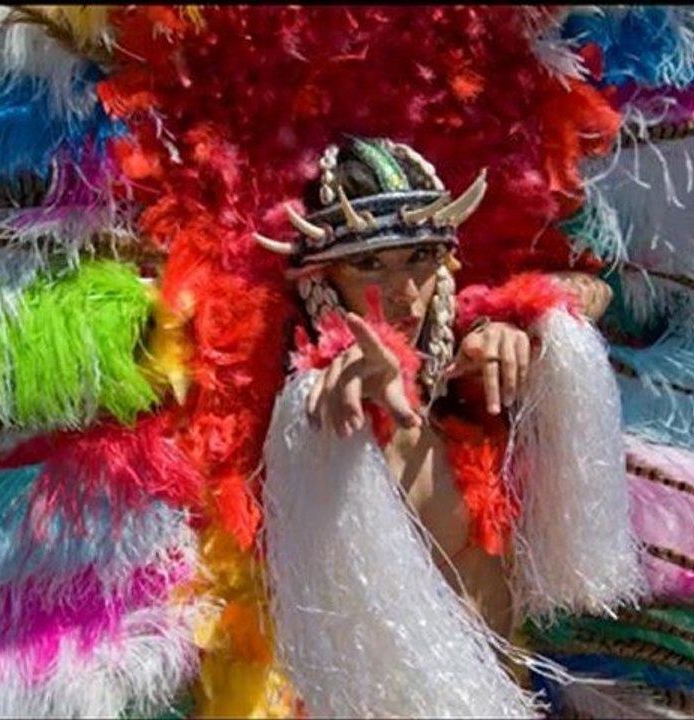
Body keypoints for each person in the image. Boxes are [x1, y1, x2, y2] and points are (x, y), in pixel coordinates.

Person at [258, 137, 645, 717]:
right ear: (322, 280)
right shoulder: (320, 409)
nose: (404, 292)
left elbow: (596, 291)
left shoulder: (472, 369)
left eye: (419, 256)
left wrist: (523, 322)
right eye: (370, 265)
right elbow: (325, 401)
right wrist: (351, 387)